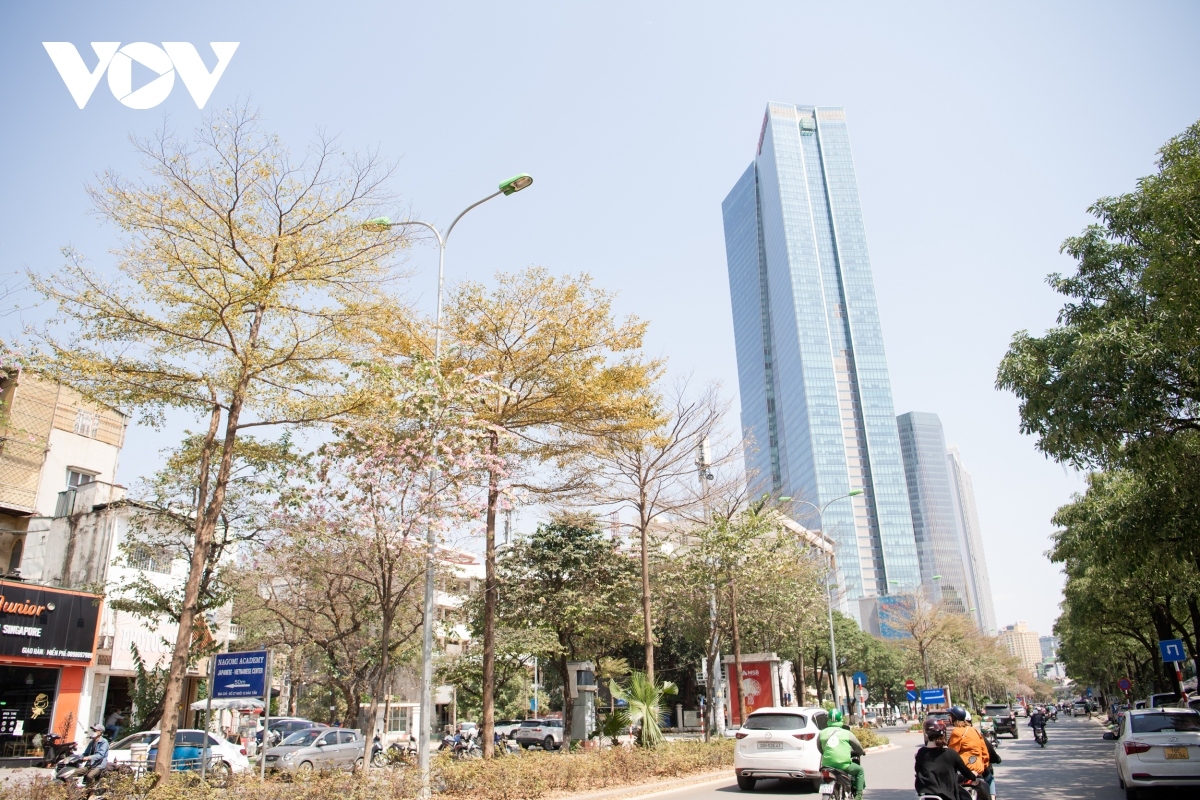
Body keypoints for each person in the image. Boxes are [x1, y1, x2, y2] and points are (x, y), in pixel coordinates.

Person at [915, 718, 977, 800]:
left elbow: (917, 770)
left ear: (926, 733)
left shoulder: (921, 753)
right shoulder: (951, 753)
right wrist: (973, 776)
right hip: (948, 796)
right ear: (943, 733)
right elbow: (964, 770)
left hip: (927, 796)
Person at [817, 710, 866, 800]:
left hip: (826, 766)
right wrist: (861, 752)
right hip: (843, 766)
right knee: (860, 771)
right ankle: (859, 797)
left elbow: (820, 749)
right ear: (841, 719)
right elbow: (858, 747)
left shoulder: (821, 733)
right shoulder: (846, 733)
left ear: (828, 720)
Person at [946, 707, 991, 800]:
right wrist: (982, 766)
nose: (949, 718)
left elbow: (951, 754)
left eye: (950, 716)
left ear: (954, 718)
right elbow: (984, 752)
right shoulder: (973, 730)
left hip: (965, 770)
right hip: (978, 769)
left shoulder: (957, 732)